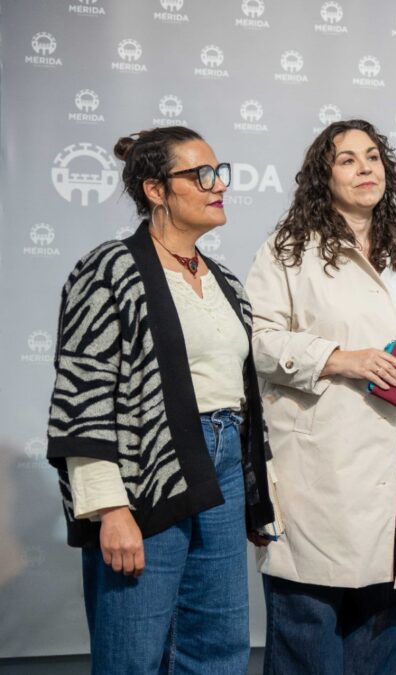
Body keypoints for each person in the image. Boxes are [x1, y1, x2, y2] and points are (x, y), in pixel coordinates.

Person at [45, 126, 276, 673]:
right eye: (201, 175)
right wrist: (110, 508)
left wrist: (254, 490)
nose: (218, 185)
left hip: (220, 471)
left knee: (219, 645)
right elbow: (82, 394)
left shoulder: (224, 280)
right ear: (156, 190)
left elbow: (240, 395)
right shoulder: (108, 270)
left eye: (220, 173)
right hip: (147, 475)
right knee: (135, 646)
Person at [245, 119, 396, 674]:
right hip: (321, 476)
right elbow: (259, 340)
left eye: (373, 156)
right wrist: (341, 358)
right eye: (347, 159)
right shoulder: (289, 251)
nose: (366, 168)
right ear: (323, 176)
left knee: (380, 646)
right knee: (308, 642)